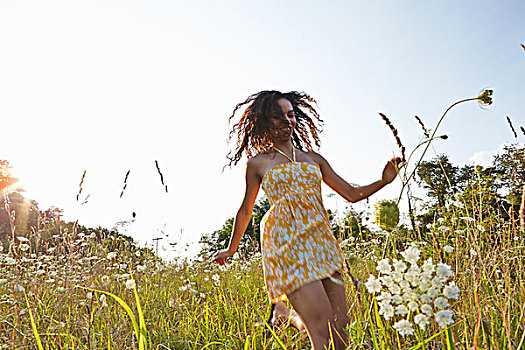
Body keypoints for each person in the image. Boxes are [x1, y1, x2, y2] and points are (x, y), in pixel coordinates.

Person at [213, 90, 402, 349]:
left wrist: (384, 181)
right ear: (264, 122)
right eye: (277, 117)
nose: (286, 121)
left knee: (340, 330)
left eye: (290, 115)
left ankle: (286, 315)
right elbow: (246, 209)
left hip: (321, 242)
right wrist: (231, 248)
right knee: (322, 329)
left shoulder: (314, 159)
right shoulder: (258, 164)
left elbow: (351, 194)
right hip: (286, 242)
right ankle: (286, 312)